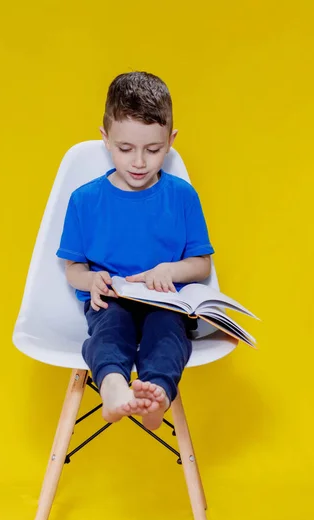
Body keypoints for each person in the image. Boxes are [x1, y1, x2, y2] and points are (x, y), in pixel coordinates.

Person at [57, 71, 214, 430]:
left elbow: (201, 264)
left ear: (171, 141)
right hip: (112, 299)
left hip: (164, 300)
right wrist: (92, 279)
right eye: (126, 149)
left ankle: (155, 393)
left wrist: (169, 271)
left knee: (170, 336)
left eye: (154, 150)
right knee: (108, 332)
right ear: (106, 139)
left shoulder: (181, 196)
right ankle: (113, 387)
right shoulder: (85, 200)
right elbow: (72, 269)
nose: (139, 162)